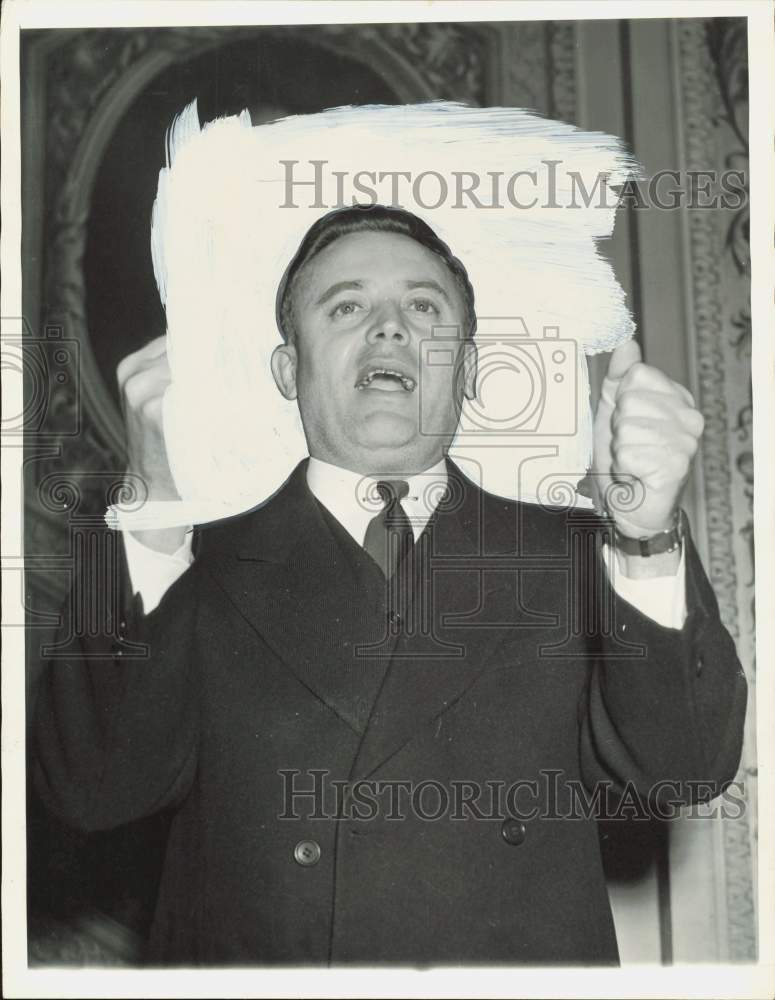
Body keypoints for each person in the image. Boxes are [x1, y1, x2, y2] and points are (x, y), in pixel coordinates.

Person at [34, 205, 747, 965]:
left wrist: (642, 529)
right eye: (345, 305)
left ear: (468, 370)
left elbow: (684, 769)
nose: (388, 326)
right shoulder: (187, 556)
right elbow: (92, 788)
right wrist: (156, 501)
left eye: (422, 305)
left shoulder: (577, 554)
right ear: (287, 367)